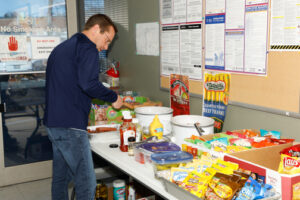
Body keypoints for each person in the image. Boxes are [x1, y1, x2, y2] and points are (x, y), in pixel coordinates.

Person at [44, 14, 123, 200]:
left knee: (61, 179)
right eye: (106, 40)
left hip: (53, 123)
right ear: (96, 29)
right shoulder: (88, 48)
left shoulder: (64, 47)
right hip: (70, 126)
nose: (105, 47)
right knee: (86, 183)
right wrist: (113, 97)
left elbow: (71, 83)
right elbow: (88, 84)